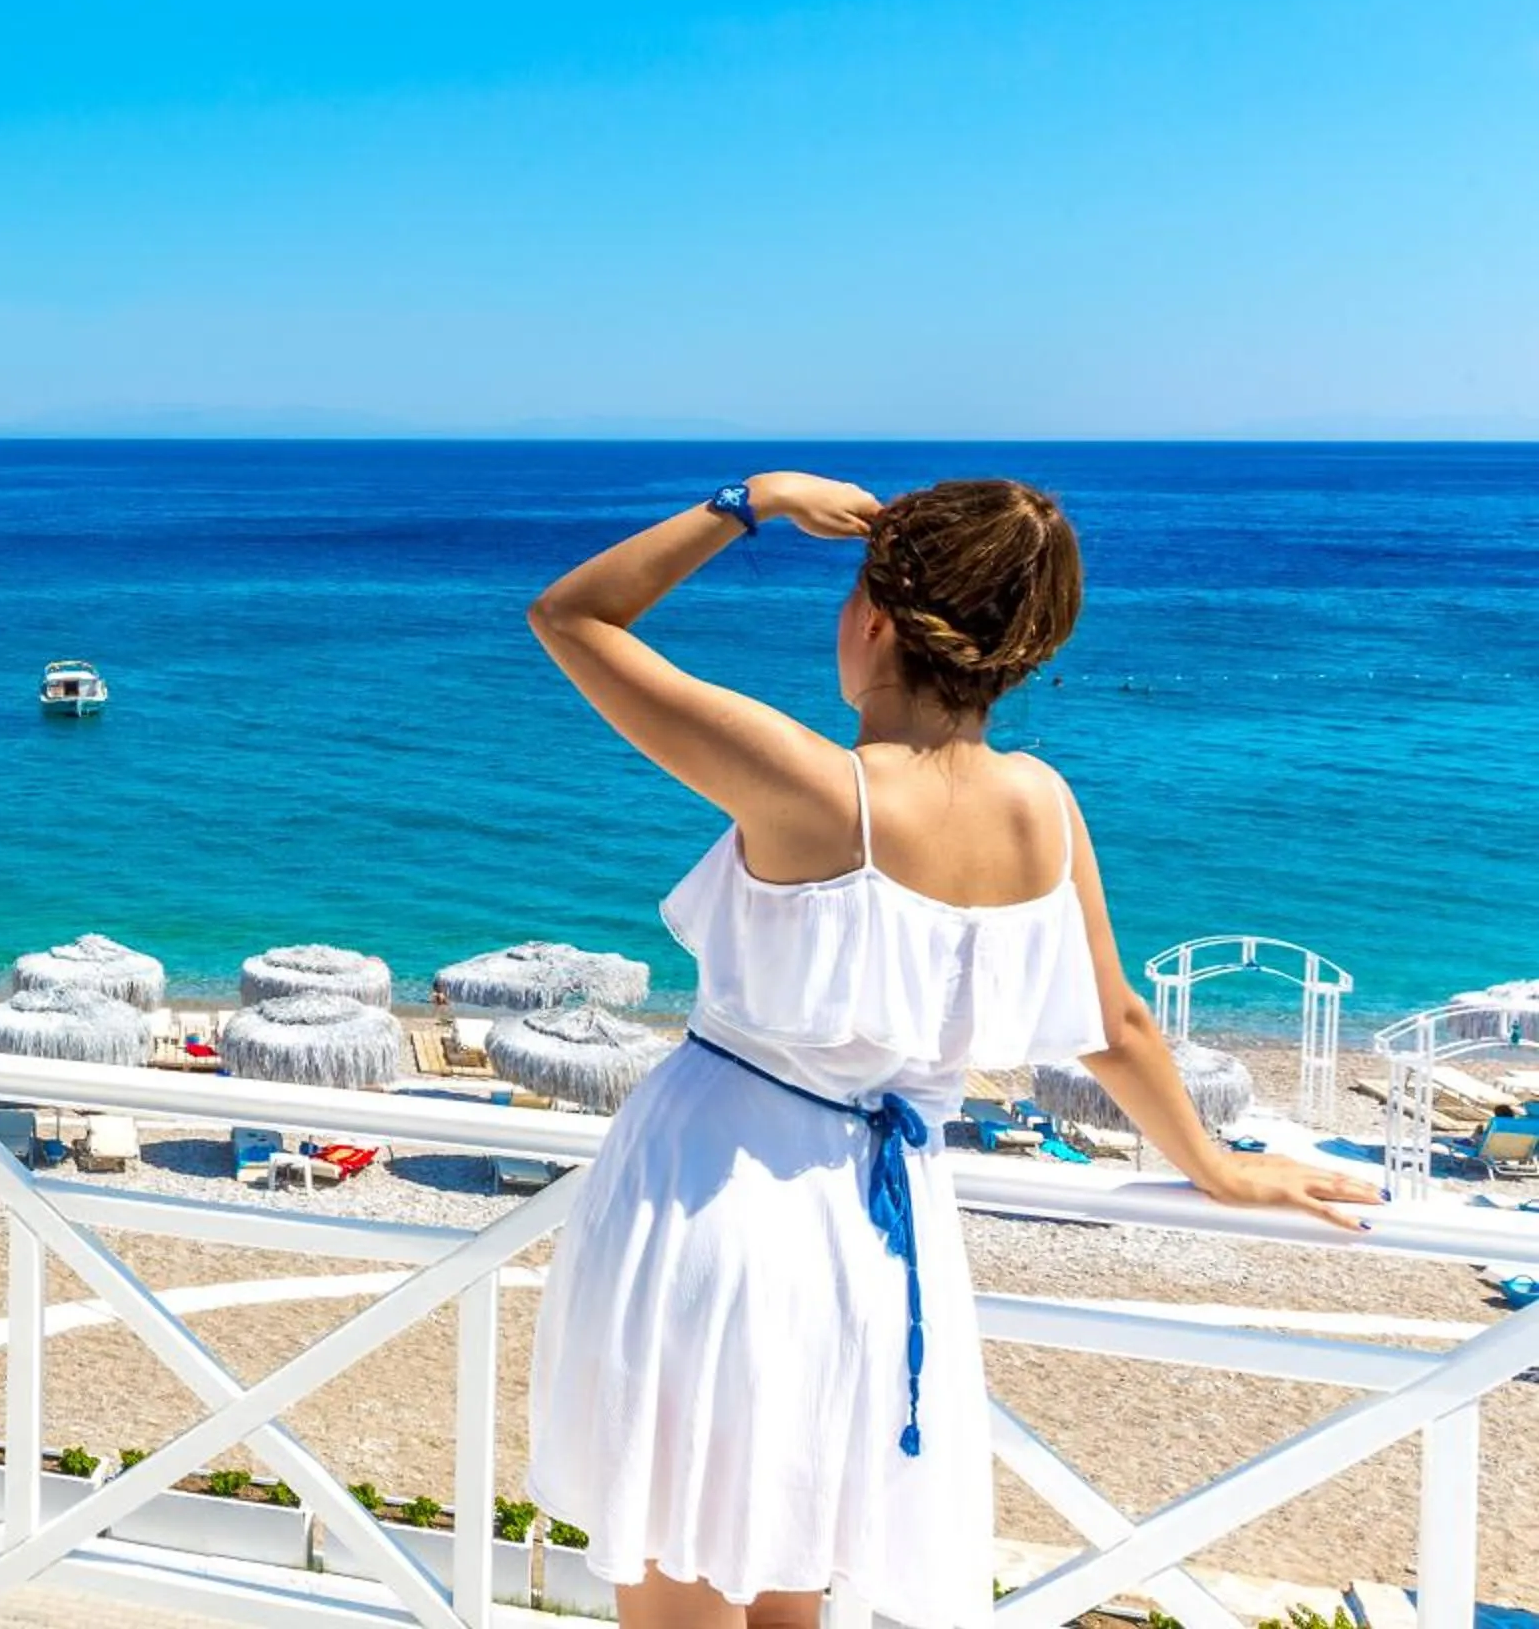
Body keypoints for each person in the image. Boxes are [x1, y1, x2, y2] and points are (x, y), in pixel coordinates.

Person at [520, 472, 1372, 1629]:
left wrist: (750, 500)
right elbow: (1113, 1020)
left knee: (682, 1583)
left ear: (874, 615)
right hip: (879, 1237)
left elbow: (572, 616)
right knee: (788, 1587)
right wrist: (1218, 1164)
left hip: (719, 1203)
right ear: (1021, 645)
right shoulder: (1042, 805)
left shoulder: (812, 785)